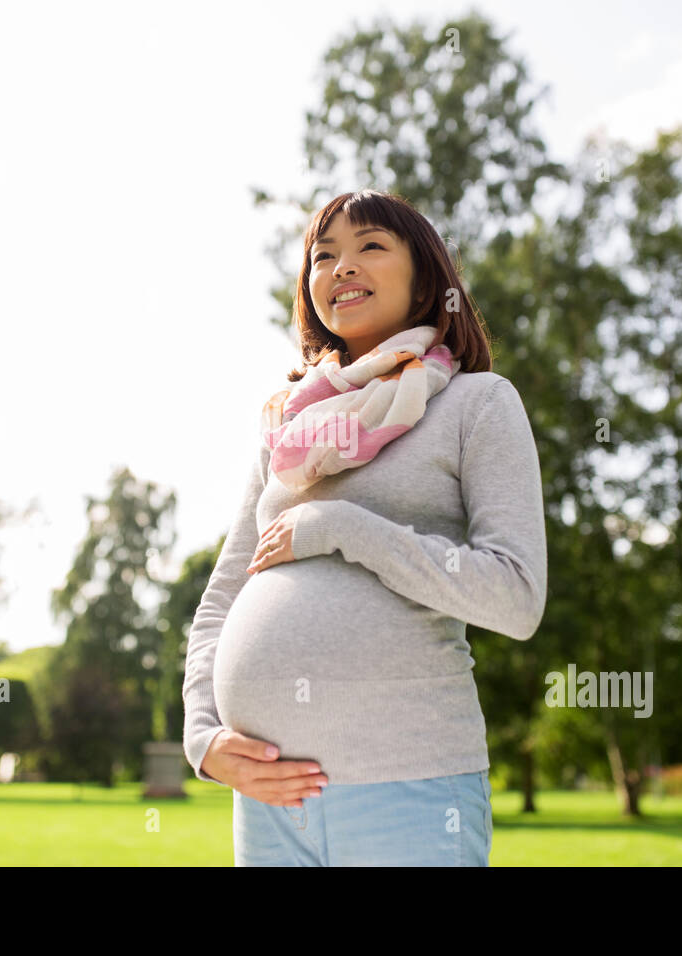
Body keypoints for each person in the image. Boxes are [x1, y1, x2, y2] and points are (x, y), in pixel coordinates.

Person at [182, 189, 547, 866]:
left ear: (425, 285)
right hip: (269, 801)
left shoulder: (477, 405)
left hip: (408, 794)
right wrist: (203, 737)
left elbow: (515, 596)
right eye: (324, 257)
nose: (342, 267)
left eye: (370, 247)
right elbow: (223, 598)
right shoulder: (287, 430)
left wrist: (342, 526)